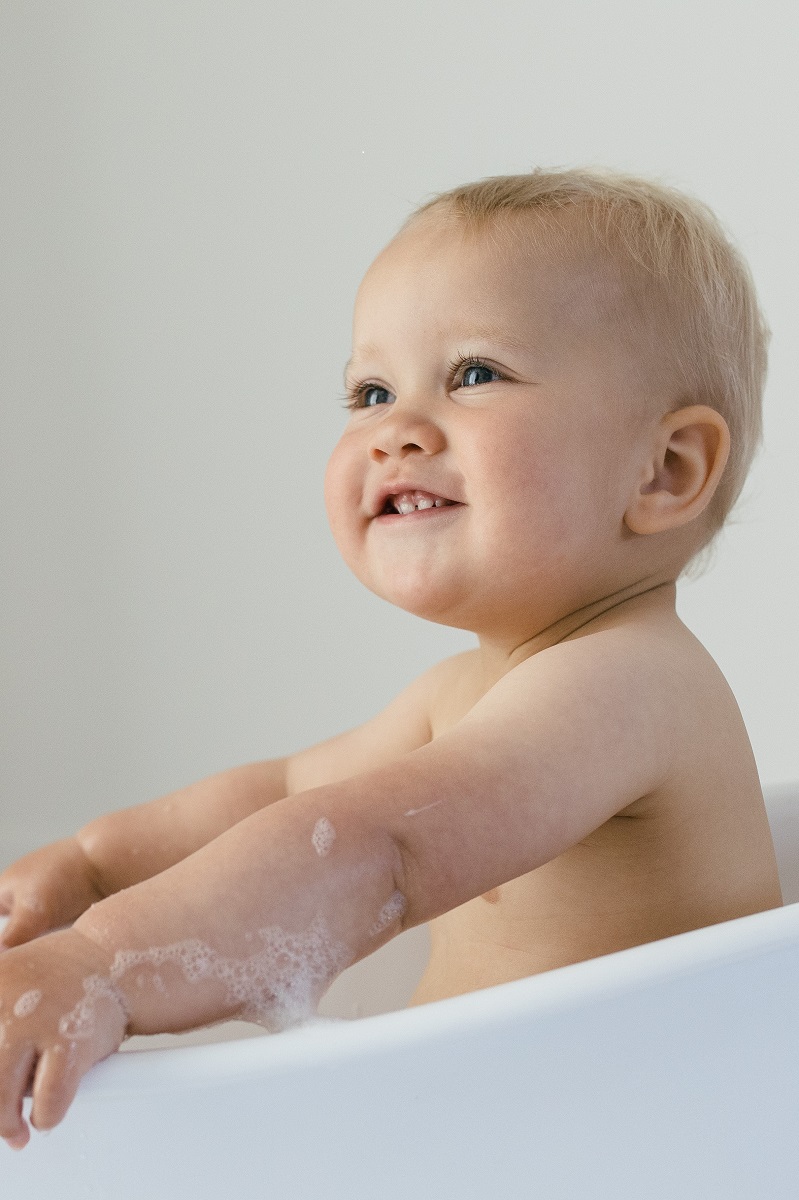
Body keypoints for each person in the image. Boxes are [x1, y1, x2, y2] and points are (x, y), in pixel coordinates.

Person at [0, 168, 782, 1150]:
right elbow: (284, 791)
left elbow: (376, 850)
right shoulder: (472, 689)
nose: (393, 433)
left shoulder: (631, 683)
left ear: (662, 472)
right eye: (370, 391)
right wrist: (94, 862)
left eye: (474, 374)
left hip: (643, 1151)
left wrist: (107, 967)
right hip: (514, 1141)